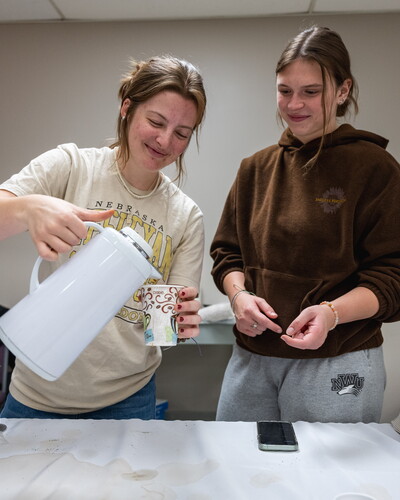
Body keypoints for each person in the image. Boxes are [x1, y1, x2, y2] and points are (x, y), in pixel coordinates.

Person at [210, 26, 400, 423]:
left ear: (343, 91)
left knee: (326, 483)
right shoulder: (255, 169)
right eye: (284, 90)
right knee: (238, 472)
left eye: (311, 92)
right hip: (252, 358)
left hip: (338, 359)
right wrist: (238, 297)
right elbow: (228, 254)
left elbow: (392, 275)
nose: (294, 104)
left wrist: (330, 314)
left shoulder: (375, 168)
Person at [0, 55, 207, 419]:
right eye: (156, 121)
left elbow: (163, 332)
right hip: (36, 394)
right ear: (127, 107)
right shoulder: (71, 167)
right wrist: (27, 209)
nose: (164, 140)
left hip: (127, 399)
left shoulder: (185, 216)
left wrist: (178, 323)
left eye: (181, 134)